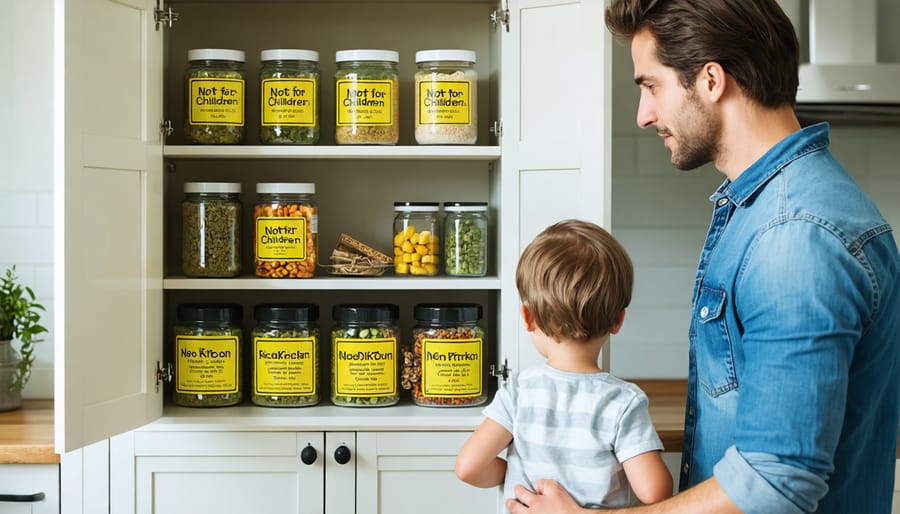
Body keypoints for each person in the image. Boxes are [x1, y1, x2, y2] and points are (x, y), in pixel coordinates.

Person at [505, 1, 900, 513]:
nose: (644, 115)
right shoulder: (763, 208)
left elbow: (774, 484)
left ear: (711, 80)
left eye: (651, 86)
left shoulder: (793, 236)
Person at [455, 219, 673, 509]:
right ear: (618, 320)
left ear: (528, 317)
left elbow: (468, 467)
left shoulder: (519, 391)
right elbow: (655, 492)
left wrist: (512, 474)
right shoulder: (622, 401)